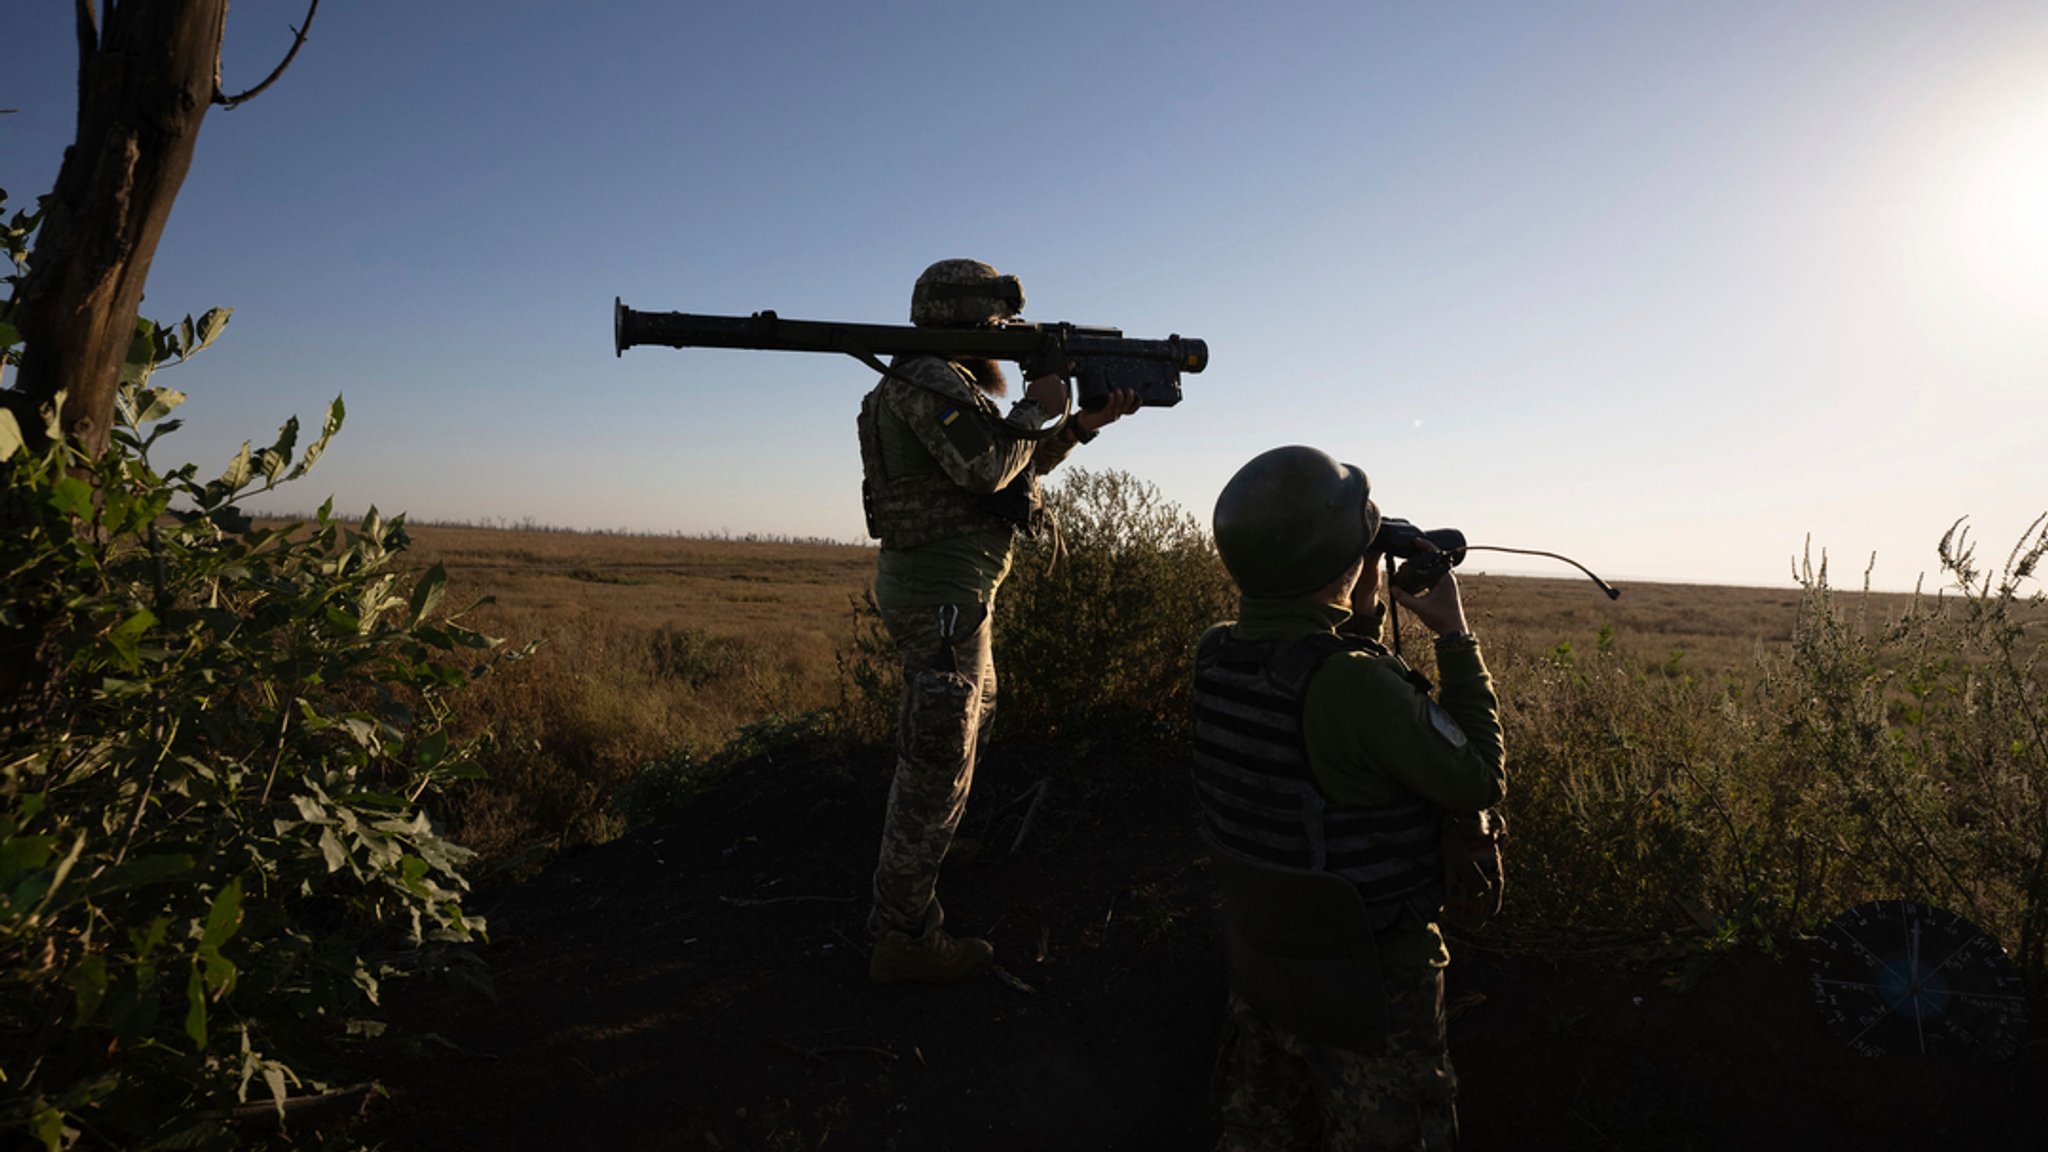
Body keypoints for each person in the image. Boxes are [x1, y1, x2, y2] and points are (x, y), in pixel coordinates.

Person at [1194, 445, 1506, 1149]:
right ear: (1342, 564)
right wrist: (1455, 637)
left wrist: (1355, 619)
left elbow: (1311, 728)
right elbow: (1479, 776)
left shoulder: (1215, 653)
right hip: (1369, 986)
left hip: (1265, 963)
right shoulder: (1353, 684)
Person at [858, 258, 1139, 985]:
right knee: (939, 756)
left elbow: (1009, 467)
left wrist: (1076, 425)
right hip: (939, 596)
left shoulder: (944, 381)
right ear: (967, 324)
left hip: (959, 593)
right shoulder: (925, 382)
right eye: (995, 326)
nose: (1004, 338)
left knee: (966, 723)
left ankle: (933, 841)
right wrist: (1037, 408)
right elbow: (985, 469)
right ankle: (903, 935)